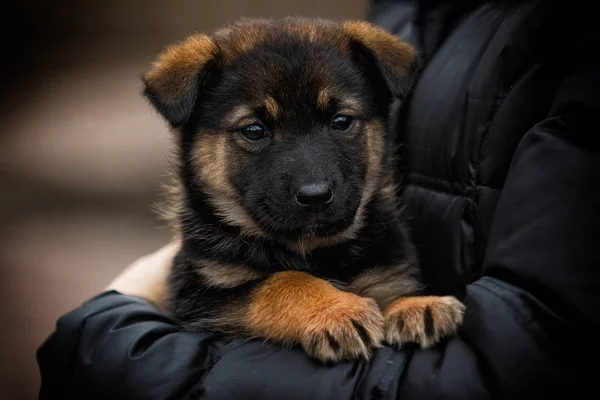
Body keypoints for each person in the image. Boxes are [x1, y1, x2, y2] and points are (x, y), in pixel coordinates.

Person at [36, 0, 599, 399]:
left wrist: (403, 308)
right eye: (254, 132)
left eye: (341, 122)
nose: (312, 182)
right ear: (191, 135)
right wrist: (297, 296)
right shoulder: (415, 11)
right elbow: (208, 305)